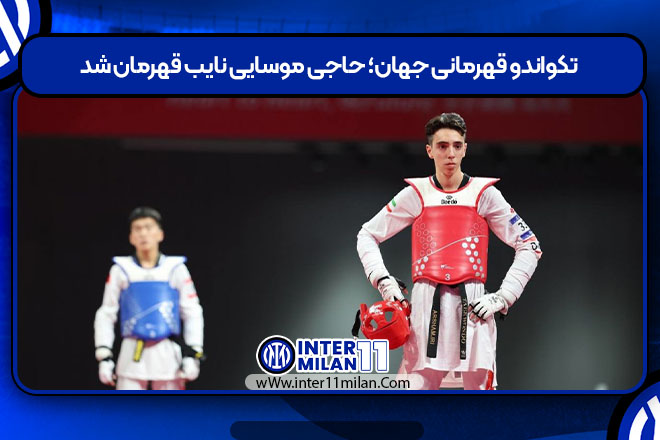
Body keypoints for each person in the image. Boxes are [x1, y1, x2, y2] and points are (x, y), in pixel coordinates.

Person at [356, 113, 542, 390]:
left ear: (465, 148)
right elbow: (367, 234)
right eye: (442, 146)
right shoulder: (416, 193)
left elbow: (530, 245)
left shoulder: (485, 194)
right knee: (410, 401)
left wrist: (503, 297)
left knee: (479, 407)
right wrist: (384, 281)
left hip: (474, 309)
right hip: (424, 306)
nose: (451, 153)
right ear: (429, 150)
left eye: (457, 145)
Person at [94, 207, 204, 390]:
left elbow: (192, 311)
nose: (143, 234)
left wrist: (194, 351)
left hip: (168, 357)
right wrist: (103, 353)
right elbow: (107, 312)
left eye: (148, 227)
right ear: (131, 237)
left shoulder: (175, 269)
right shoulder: (121, 269)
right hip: (131, 356)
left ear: (160, 234)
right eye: (138, 229)